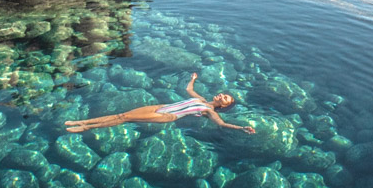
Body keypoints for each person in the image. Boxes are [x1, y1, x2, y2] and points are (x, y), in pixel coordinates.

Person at [64, 71, 256, 134]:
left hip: (168, 115)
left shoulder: (210, 111)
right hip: (161, 107)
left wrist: (241, 128)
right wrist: (193, 79)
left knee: (125, 118)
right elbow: (188, 90)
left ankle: (84, 127)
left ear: (223, 106)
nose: (222, 96)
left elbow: (222, 124)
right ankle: (82, 122)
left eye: (225, 99)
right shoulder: (201, 99)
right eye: (224, 94)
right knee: (122, 114)